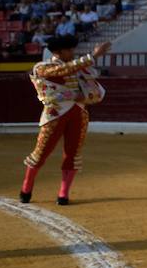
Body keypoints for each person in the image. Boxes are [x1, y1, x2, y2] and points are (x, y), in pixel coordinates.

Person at [20, 34, 111, 205]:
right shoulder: (43, 67)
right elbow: (62, 71)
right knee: (41, 153)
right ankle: (27, 186)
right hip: (55, 114)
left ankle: (63, 193)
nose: (72, 52)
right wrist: (93, 56)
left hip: (78, 112)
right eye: (69, 50)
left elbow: (92, 88)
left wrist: (85, 95)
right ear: (58, 52)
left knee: (73, 153)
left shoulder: (78, 68)